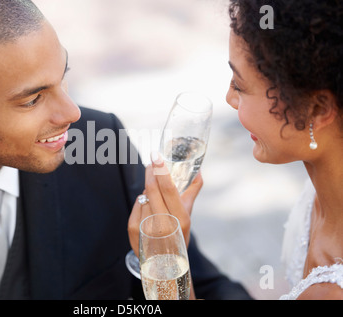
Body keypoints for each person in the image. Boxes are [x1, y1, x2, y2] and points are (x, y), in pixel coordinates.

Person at [0, 0, 252, 300]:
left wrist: (167, 263)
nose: (72, 114)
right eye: (32, 99)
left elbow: (211, 290)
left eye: (63, 76)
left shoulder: (100, 143)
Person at [129, 0, 343, 300]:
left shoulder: (330, 293)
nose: (229, 98)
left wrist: (164, 262)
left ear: (317, 110)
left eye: (240, 85)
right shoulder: (327, 195)